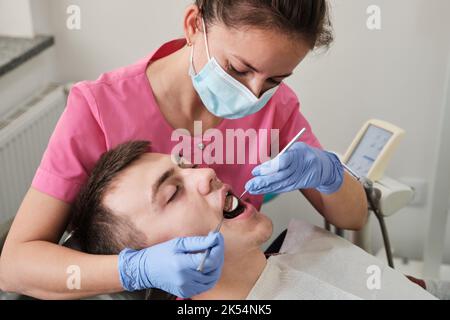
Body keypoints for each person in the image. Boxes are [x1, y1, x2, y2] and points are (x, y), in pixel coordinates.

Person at [0, 0, 367, 299]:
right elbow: (14, 266)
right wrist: (135, 269)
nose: (256, 93)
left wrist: (330, 174)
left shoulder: (276, 108)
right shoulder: (99, 109)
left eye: (274, 79)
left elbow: (353, 216)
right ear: (194, 25)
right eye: (239, 69)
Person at [68, 141, 434, 300]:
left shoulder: (299, 253)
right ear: (156, 262)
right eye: (172, 193)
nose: (206, 172)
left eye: (188, 164)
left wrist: (332, 175)